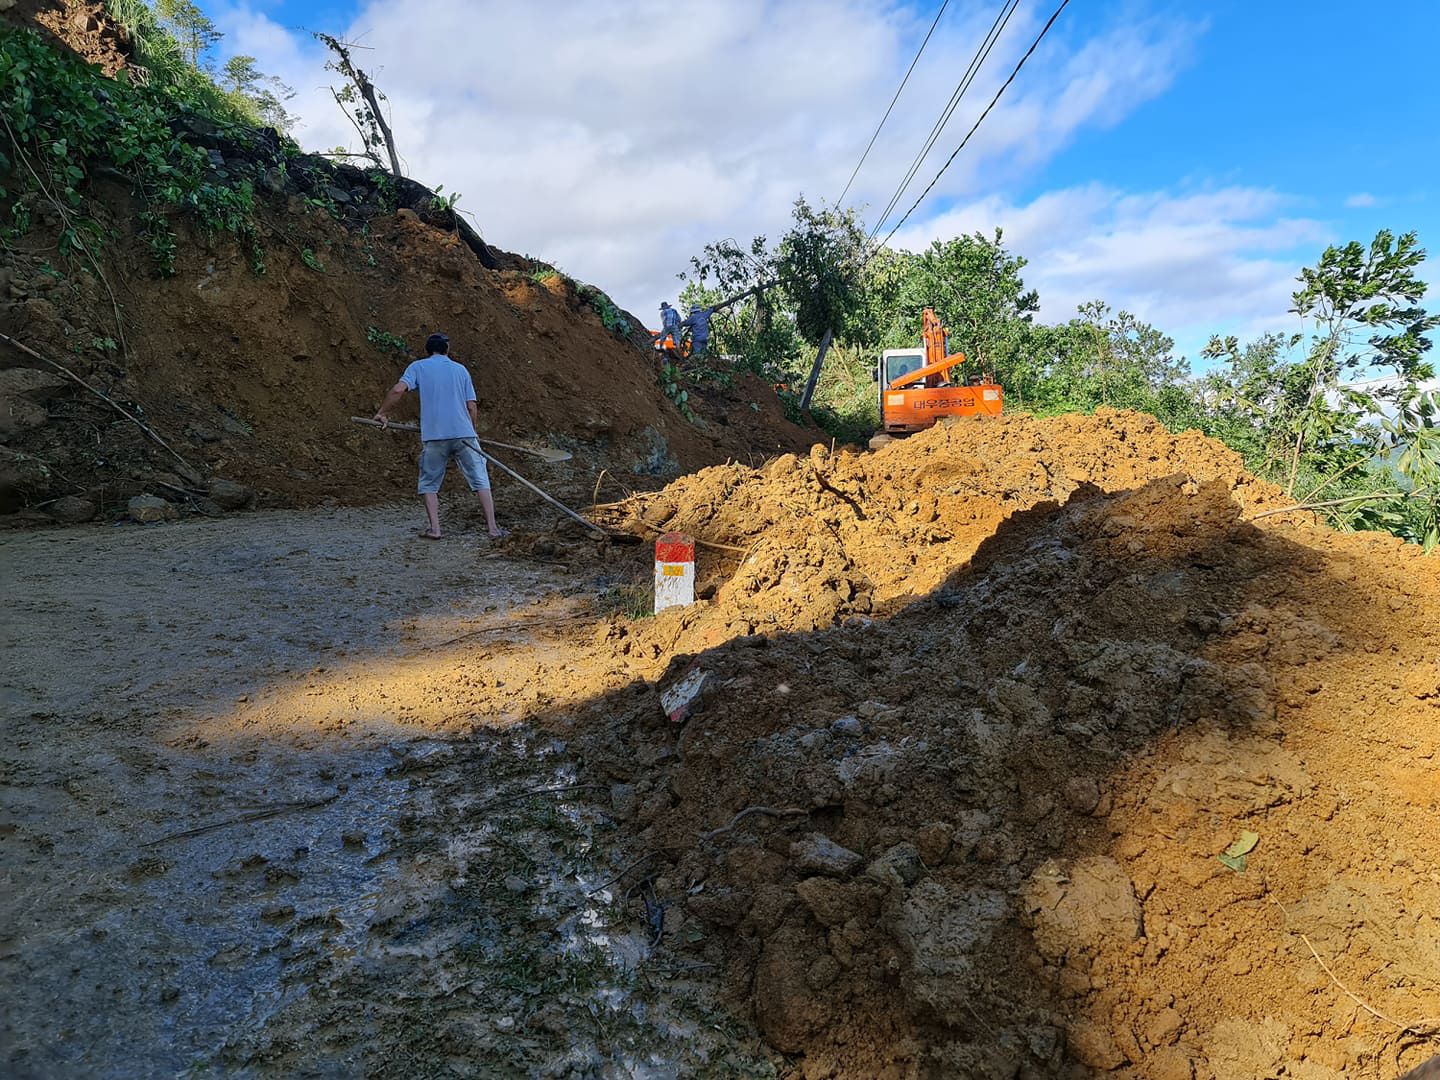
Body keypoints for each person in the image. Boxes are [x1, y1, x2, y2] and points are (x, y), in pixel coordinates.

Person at [373, 332, 507, 540]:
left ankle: (435, 530)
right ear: (447, 350)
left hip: (435, 435)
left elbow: (398, 390)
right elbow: (471, 406)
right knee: (481, 480)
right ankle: (492, 528)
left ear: (427, 350)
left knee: (428, 483)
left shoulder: (418, 367)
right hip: (464, 435)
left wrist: (382, 413)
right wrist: (473, 432)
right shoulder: (461, 370)